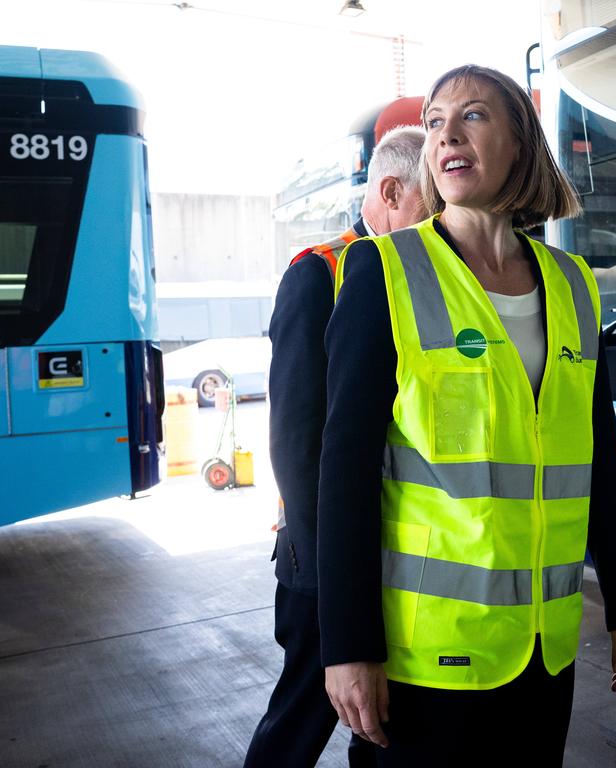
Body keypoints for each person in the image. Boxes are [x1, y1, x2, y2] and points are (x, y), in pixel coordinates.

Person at [317, 65, 616, 767]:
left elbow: (600, 456)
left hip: (543, 649)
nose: (447, 136)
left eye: (472, 116)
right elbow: (343, 474)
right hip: (428, 658)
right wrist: (347, 647)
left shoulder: (572, 284)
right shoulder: (385, 271)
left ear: (520, 143)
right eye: (436, 122)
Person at [243, 125, 426, 768]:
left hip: (391, 556)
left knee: (377, 726)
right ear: (393, 191)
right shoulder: (320, 272)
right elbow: (296, 442)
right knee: (302, 718)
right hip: (324, 564)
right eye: (432, 204)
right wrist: (331, 578)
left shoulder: (421, 277)